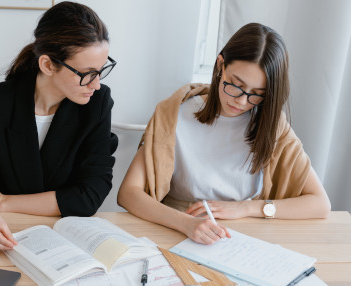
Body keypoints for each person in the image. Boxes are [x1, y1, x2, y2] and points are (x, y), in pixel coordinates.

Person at [117, 23, 330, 245]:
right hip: (176, 229)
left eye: (257, 95)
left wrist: (245, 208)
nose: (242, 101)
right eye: (236, 85)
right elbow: (128, 193)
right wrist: (186, 224)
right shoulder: (173, 114)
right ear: (220, 65)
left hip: (244, 234)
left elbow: (320, 204)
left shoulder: (273, 126)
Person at [0, 2, 118, 254]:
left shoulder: (97, 104)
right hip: (5, 238)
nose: (97, 84)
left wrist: (2, 202)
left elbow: (89, 196)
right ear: (47, 65)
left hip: (64, 243)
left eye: (101, 70)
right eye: (88, 73)